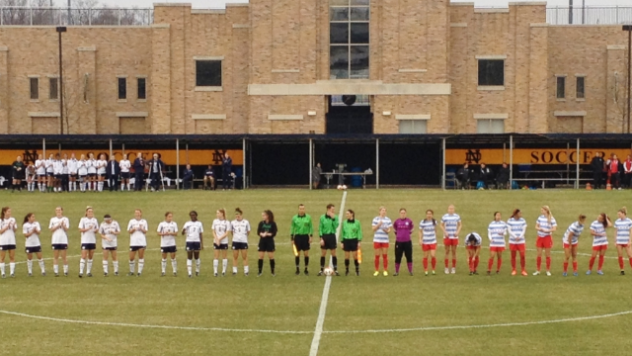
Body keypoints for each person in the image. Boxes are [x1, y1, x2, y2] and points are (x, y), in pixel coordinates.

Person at [291, 204, 313, 276]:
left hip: (305, 237)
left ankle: (306, 269)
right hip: (297, 237)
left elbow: (311, 227)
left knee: (306, 254)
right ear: (298, 209)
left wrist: (311, 236)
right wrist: (292, 238)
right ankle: (297, 269)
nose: (302, 210)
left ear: (304, 209)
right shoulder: (294, 218)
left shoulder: (308, 217)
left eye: (303, 208)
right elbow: (292, 228)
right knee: (297, 254)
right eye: (300, 209)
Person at [533, 205, 556, 276]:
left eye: (542, 210)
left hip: (547, 237)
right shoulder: (540, 217)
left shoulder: (551, 218)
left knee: (547, 254)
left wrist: (547, 230)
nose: (541, 211)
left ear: (546, 211)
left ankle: (548, 270)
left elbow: (554, 228)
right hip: (540, 237)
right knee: (539, 254)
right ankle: (538, 270)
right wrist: (539, 229)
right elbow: (536, 226)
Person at [318, 204, 339, 276]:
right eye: (332, 209)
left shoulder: (335, 217)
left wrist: (333, 219)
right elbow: (320, 228)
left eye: (333, 209)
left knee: (333, 253)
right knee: (323, 253)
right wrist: (321, 238)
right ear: (328, 209)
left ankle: (336, 270)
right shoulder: (322, 217)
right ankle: (321, 270)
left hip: (332, 236)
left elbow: (336, 226)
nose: (333, 211)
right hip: (324, 236)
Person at [440, 204, 461, 274]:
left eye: (452, 209)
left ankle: (453, 268)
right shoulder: (444, 217)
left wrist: (457, 232)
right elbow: (441, 225)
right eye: (450, 209)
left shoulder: (457, 216)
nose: (451, 210)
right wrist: (445, 232)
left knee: (454, 252)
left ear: (454, 210)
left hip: (454, 236)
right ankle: (446, 267)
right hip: (447, 237)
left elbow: (460, 224)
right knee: (447, 251)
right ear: (448, 209)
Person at [78, 206, 98, 278]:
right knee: (83, 255)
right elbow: (80, 229)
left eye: (91, 212)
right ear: (86, 212)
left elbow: (96, 230)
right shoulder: (83, 220)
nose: (90, 213)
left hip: (92, 240)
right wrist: (87, 228)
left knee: (90, 256)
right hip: (85, 240)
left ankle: (88, 272)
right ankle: (81, 272)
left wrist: (95, 230)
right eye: (89, 212)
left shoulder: (94, 220)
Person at [340, 209, 362, 276]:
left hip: (354, 240)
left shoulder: (357, 222)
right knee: (347, 256)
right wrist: (342, 242)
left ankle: (357, 270)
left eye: (347, 213)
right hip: (346, 240)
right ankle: (347, 270)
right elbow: (342, 232)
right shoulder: (344, 222)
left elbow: (359, 232)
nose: (346, 215)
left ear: (352, 214)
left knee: (355, 256)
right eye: (346, 214)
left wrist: (359, 241)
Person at [507, 209, 528, 276]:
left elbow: (524, 230)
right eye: (519, 213)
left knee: (522, 255)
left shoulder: (523, 220)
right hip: (513, 241)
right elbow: (509, 230)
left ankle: (523, 270)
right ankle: (514, 269)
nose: (521, 215)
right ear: (516, 214)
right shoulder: (510, 221)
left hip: (521, 241)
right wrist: (515, 236)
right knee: (513, 255)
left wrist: (520, 237)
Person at [49, 206, 70, 277]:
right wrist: (58, 225)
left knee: (64, 256)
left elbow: (67, 229)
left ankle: (65, 271)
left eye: (59, 210)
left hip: (63, 240)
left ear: (62, 211)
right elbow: (51, 229)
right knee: (56, 256)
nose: (58, 212)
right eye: (57, 210)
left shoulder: (65, 219)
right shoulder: (53, 219)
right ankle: (56, 271)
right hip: (55, 240)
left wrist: (63, 225)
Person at [183, 211, 204, 277]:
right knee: (189, 256)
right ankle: (189, 273)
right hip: (189, 241)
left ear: (196, 216)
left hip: (196, 241)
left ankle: (197, 270)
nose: (192, 217)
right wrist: (183, 231)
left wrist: (201, 244)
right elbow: (183, 233)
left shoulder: (199, 223)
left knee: (196, 256)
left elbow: (200, 234)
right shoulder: (187, 223)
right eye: (191, 215)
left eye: (194, 215)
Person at [371, 207, 391, 277]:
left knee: (385, 255)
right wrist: (379, 224)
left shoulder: (388, 220)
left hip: (385, 240)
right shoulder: (375, 219)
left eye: (385, 211)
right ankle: (376, 270)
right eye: (382, 210)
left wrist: (386, 230)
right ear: (379, 211)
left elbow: (389, 230)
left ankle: (385, 270)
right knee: (377, 256)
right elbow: (373, 229)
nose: (383, 212)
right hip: (377, 240)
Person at [127, 209, 148, 276]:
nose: (137, 214)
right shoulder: (131, 221)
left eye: (138, 213)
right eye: (136, 213)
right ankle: (131, 271)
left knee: (141, 256)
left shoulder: (144, 221)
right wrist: (133, 229)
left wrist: (141, 228)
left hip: (141, 242)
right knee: (131, 257)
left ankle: (139, 272)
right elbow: (129, 231)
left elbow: (145, 231)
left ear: (141, 214)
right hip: (133, 242)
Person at [392, 208, 413, 276]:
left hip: (407, 242)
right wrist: (398, 234)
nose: (403, 214)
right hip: (399, 242)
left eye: (404, 213)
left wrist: (407, 233)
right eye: (401, 213)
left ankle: (410, 271)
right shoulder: (397, 221)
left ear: (406, 213)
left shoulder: (409, 221)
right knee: (398, 256)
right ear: (399, 213)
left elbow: (412, 228)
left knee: (409, 256)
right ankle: (396, 271)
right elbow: (394, 229)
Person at [230, 208, 250, 276]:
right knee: (235, 256)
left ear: (241, 214)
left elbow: (248, 231)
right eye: (236, 215)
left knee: (244, 256)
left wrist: (243, 237)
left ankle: (246, 271)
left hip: (243, 241)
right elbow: (232, 231)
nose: (237, 216)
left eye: (238, 214)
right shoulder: (232, 222)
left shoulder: (246, 222)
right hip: (235, 241)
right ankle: (234, 271)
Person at [257, 210, 277, 276]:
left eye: (264, 215)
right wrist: (262, 234)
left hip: (269, 242)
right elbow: (258, 231)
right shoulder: (261, 223)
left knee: (271, 256)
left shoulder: (273, 223)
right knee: (261, 256)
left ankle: (272, 271)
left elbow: (274, 233)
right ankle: (260, 271)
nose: (263, 217)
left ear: (268, 216)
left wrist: (268, 234)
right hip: (262, 241)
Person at [158, 212, 178, 277]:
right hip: (164, 243)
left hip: (172, 243)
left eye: (171, 216)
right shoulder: (161, 224)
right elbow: (158, 233)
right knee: (164, 257)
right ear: (166, 217)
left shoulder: (174, 224)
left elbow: (176, 233)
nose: (170, 218)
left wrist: (171, 233)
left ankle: (174, 271)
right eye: (169, 216)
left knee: (173, 257)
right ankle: (163, 271)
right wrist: (164, 234)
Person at [212, 209, 231, 276]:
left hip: (224, 241)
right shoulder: (215, 221)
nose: (217, 214)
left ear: (222, 214)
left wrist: (219, 239)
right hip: (216, 241)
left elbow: (227, 233)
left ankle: (223, 271)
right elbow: (213, 231)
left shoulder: (227, 222)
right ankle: (215, 271)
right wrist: (216, 239)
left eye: (218, 213)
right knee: (216, 256)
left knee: (224, 256)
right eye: (217, 213)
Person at [419, 209, 438, 276]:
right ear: (426, 215)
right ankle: (426, 269)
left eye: (430, 214)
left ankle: (433, 269)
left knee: (433, 255)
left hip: (432, 241)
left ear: (432, 215)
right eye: (428, 214)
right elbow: (420, 231)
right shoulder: (422, 222)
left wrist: (435, 238)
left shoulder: (434, 221)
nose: (429, 215)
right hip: (425, 241)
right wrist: (420, 239)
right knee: (425, 256)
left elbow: (435, 230)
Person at [614, 207, 632, 275]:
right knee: (620, 255)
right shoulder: (617, 221)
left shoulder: (629, 221)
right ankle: (622, 270)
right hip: (619, 241)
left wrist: (630, 240)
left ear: (623, 214)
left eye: (619, 214)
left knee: (630, 255)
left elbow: (631, 231)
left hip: (626, 240)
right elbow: (615, 231)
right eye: (618, 214)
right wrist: (615, 241)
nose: (618, 216)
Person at [0, 207, 18, 278]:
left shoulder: (13, 219)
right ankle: (3, 273)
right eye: (8, 211)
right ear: (4, 212)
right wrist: (6, 227)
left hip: (12, 240)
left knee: (12, 256)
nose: (10, 213)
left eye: (10, 211)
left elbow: (15, 230)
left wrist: (13, 226)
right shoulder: (1, 220)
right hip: (3, 241)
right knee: (2, 257)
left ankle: (12, 273)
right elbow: (0, 231)